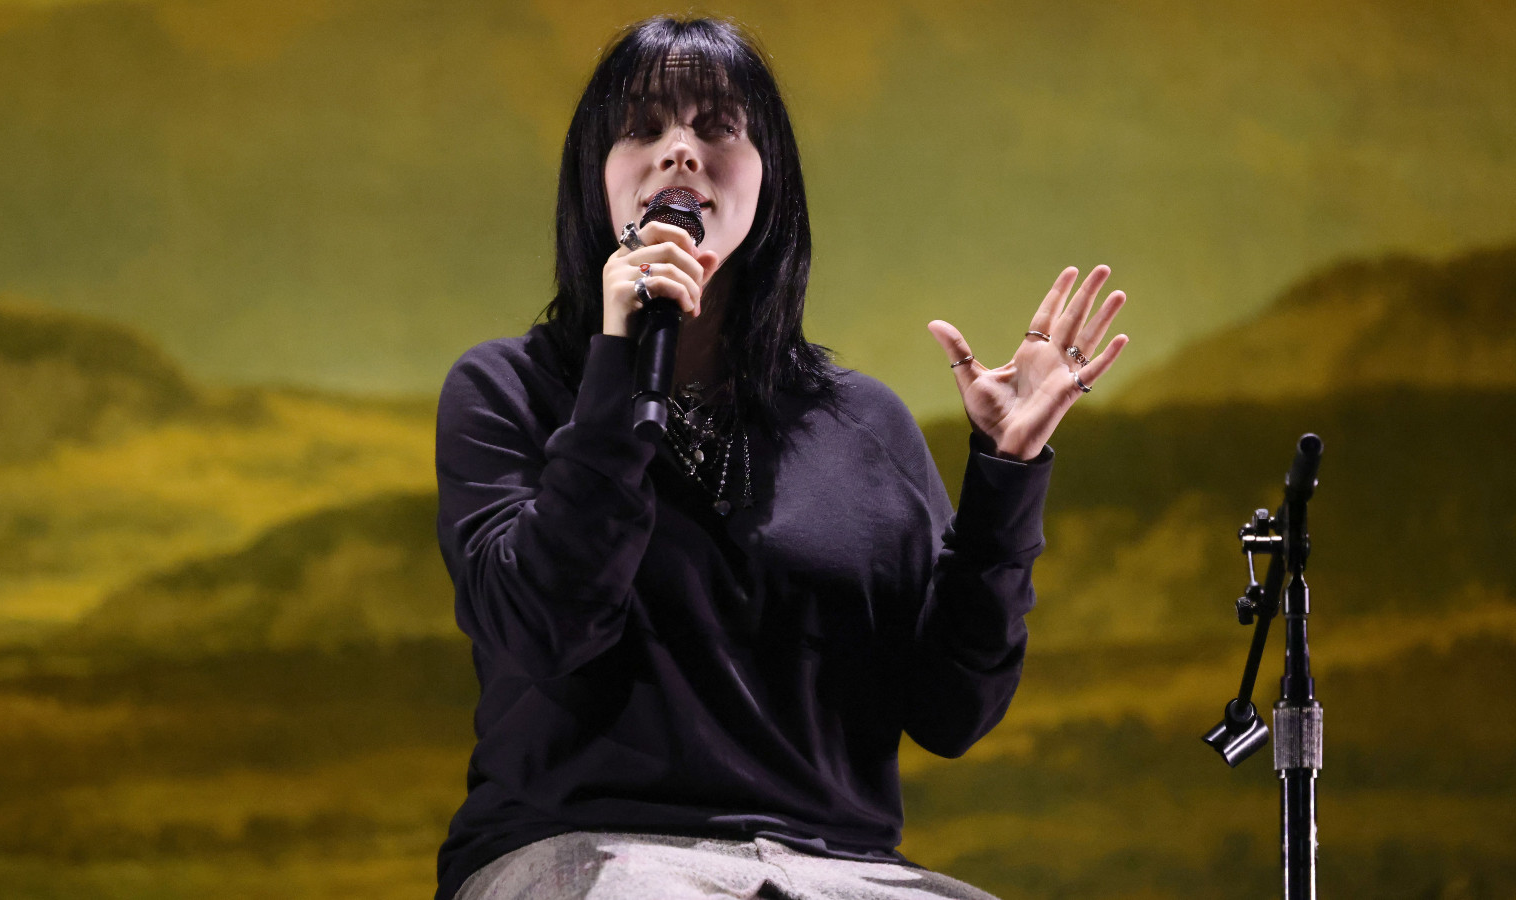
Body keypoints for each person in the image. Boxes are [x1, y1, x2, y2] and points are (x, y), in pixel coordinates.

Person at [432, 16, 1128, 900]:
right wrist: (616, 374)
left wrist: (1004, 478)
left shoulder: (864, 424)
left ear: (771, 185)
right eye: (642, 128)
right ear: (594, 181)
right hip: (589, 850)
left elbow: (952, 712)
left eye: (719, 128)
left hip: (843, 871)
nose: (680, 152)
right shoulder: (509, 391)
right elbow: (547, 627)